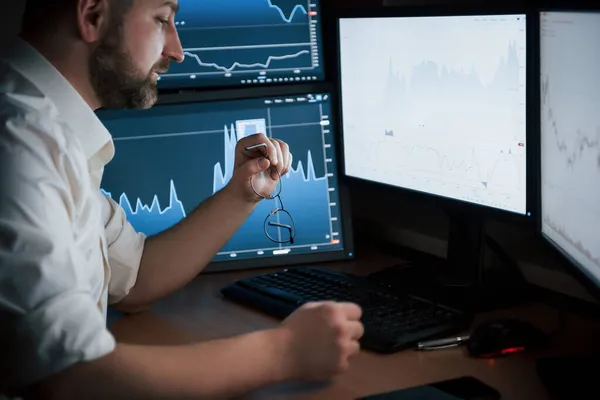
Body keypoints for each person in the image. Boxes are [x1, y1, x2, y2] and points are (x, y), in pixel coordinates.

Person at [0, 0, 364, 398]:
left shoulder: (50, 130)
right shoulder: (20, 139)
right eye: (162, 20)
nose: (177, 50)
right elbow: (74, 376)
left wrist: (240, 195)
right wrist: (284, 352)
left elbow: (134, 277)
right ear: (92, 17)